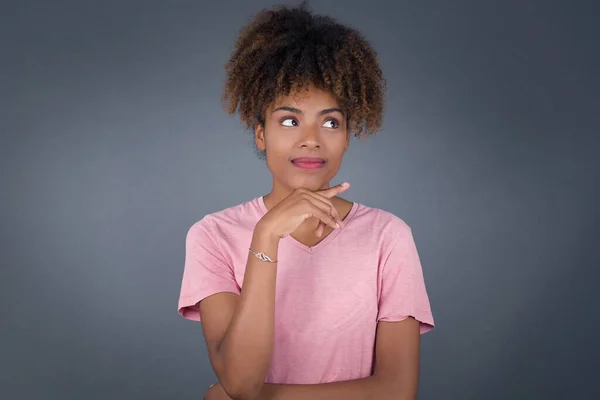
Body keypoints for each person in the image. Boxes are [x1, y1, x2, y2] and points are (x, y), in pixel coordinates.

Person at [177, 2, 435, 399]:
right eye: (289, 120)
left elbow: (397, 391)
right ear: (260, 134)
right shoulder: (213, 236)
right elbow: (241, 379)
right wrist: (266, 235)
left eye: (331, 122)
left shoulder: (388, 236)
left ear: (348, 136)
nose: (311, 138)